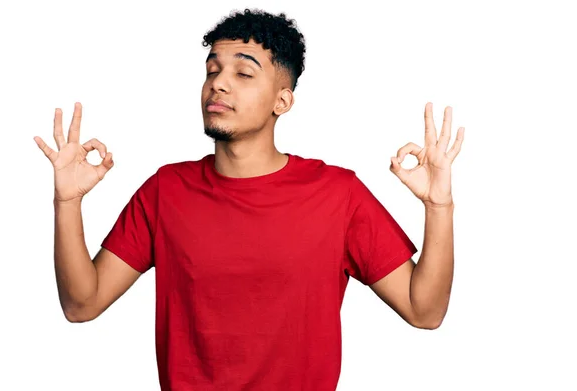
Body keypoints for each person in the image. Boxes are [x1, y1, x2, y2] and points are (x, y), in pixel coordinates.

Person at [34, 8, 464, 391]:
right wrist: (66, 202)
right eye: (211, 70)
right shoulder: (165, 191)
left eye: (243, 73)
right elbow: (81, 304)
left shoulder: (337, 194)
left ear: (283, 100)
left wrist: (438, 206)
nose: (218, 84)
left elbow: (423, 310)